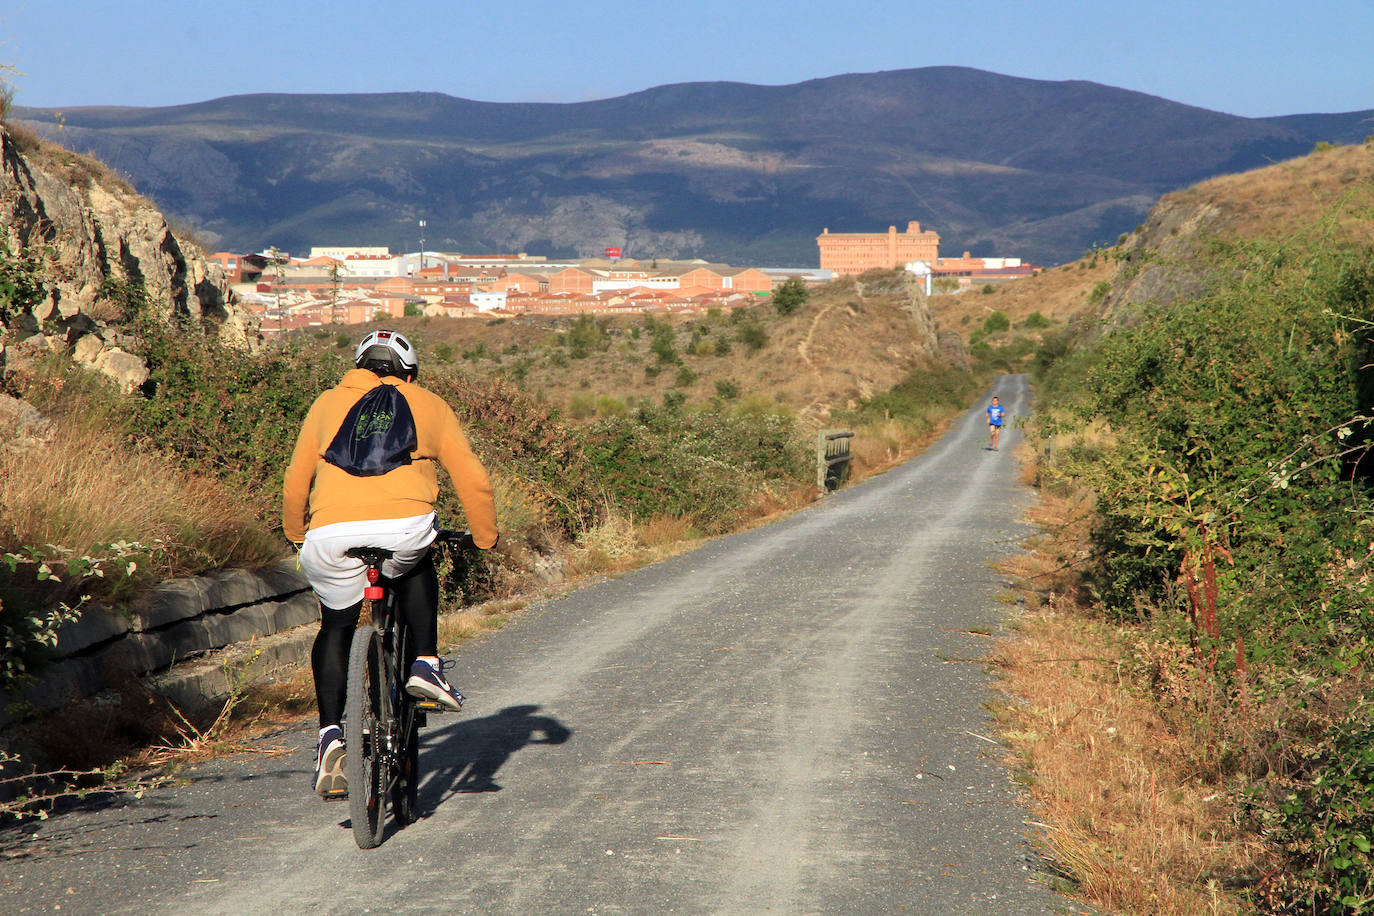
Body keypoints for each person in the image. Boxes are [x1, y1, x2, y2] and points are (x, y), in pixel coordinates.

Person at [283, 329, 499, 798]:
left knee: (335, 627)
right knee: (417, 564)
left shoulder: (325, 404)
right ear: (410, 373)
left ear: (358, 365)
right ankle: (425, 664)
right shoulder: (428, 403)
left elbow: (296, 478)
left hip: (330, 534)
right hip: (403, 527)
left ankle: (329, 739)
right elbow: (473, 478)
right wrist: (485, 537)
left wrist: (298, 533)